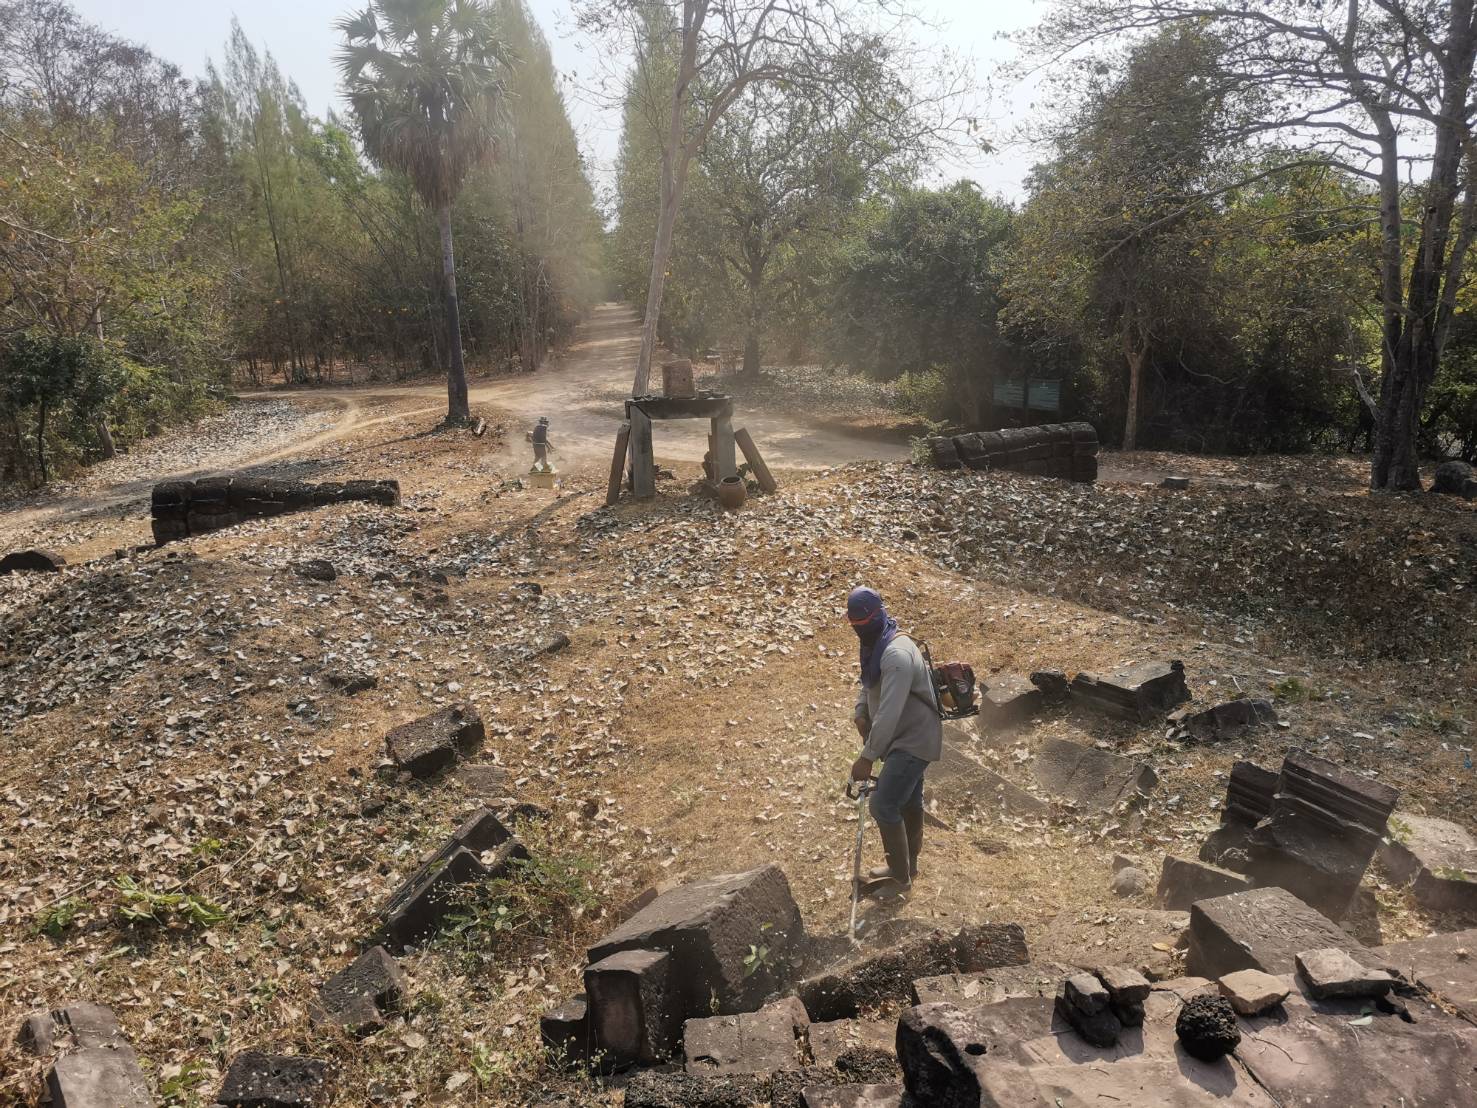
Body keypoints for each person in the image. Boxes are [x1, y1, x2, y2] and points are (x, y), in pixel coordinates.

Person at [847, 587, 942, 898]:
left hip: (914, 739)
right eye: (854, 624)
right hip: (902, 738)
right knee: (907, 801)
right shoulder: (876, 643)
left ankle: (900, 879)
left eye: (863, 623)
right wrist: (861, 711)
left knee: (883, 804)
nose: (859, 630)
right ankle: (907, 867)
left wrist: (867, 757)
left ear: (879, 616)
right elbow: (868, 683)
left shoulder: (896, 654)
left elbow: (889, 712)